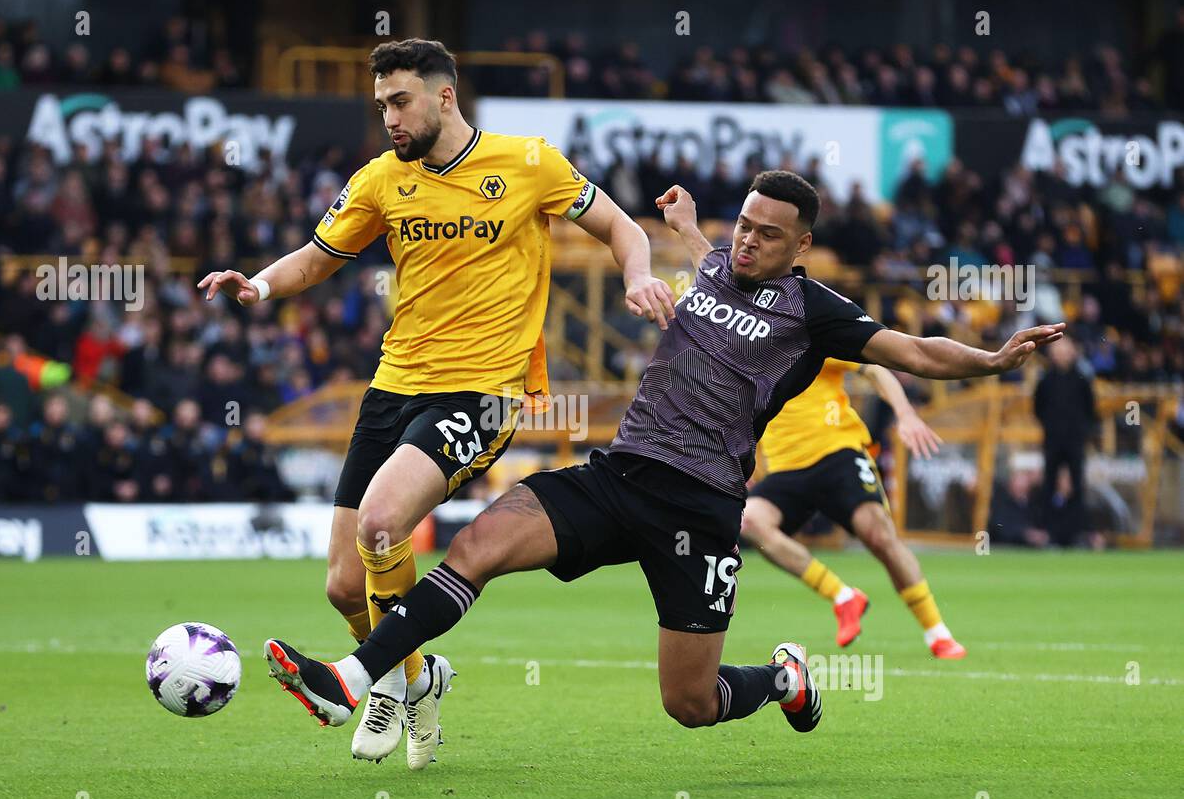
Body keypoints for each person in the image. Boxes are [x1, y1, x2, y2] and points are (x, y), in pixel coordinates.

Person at [261, 171, 1065, 740]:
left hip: (701, 507)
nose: (747, 240)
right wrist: (683, 225)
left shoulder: (817, 312)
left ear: (803, 245)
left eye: (768, 233)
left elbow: (915, 349)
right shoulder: (719, 259)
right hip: (620, 474)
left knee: (689, 703)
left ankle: (784, 677)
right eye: (743, 223)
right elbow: (703, 245)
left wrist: (994, 360)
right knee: (477, 544)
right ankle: (354, 679)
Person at [198, 39, 674, 768]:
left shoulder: (529, 162)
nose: (389, 117)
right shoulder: (381, 180)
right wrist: (258, 285)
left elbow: (620, 225)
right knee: (341, 584)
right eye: (381, 104)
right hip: (395, 384)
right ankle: (418, 678)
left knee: (385, 522)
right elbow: (318, 256)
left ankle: (377, 685)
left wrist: (639, 274)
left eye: (400, 101)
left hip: (485, 390)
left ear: (444, 96)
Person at [740, 358, 967, 658]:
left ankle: (937, 632)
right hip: (786, 468)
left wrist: (905, 414)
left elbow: (874, 368)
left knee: (878, 536)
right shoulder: (747, 347)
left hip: (838, 453)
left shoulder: (812, 329)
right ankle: (843, 596)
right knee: (750, 521)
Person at [1033, 337, 1094, 543]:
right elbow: (1038, 408)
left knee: (1076, 485)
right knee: (1049, 484)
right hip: (1053, 440)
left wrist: (1081, 431)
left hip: (1075, 441)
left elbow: (1090, 409)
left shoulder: (1081, 379)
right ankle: (1047, 531)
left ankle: (1076, 531)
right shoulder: (1046, 380)